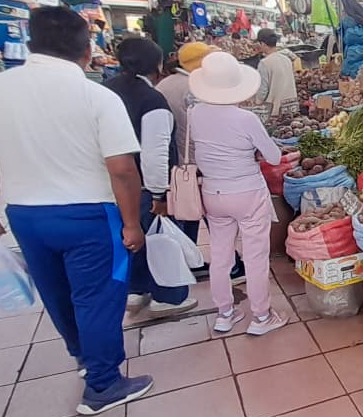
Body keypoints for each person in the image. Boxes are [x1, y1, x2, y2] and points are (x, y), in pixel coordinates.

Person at [0, 6, 152, 415]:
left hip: (27, 216)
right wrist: (133, 223)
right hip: (90, 216)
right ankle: (103, 384)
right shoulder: (97, 96)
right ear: (87, 51)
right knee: (99, 297)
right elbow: (121, 169)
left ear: (30, 43)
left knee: (57, 292)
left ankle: (86, 358)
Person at [188, 51, 288, 335]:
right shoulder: (245, 118)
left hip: (212, 192)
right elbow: (273, 156)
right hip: (246, 192)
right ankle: (261, 317)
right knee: (255, 256)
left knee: (220, 255)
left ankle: (224, 313)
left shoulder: (195, 113)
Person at [103, 38, 197, 315]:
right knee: (158, 236)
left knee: (130, 236)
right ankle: (167, 296)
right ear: (156, 65)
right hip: (143, 184)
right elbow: (155, 151)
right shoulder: (151, 99)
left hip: (112, 183)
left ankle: (136, 290)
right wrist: (160, 193)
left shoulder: (106, 92)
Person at [156, 41, 248, 283]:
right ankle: (231, 266)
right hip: (198, 159)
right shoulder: (195, 88)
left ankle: (188, 261)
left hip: (176, 160)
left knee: (185, 212)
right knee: (214, 217)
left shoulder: (165, 84)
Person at [251, 28, 300, 123]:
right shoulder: (287, 59)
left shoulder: (264, 63)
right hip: (292, 108)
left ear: (263, 44)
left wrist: (256, 104)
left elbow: (262, 92)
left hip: (275, 112)